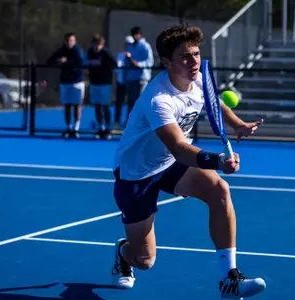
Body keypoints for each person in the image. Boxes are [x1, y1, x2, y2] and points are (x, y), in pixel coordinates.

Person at [111, 24, 266, 299]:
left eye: (196, 54)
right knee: (145, 260)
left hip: (169, 163)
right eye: (185, 56)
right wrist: (218, 160)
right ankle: (124, 252)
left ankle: (229, 278)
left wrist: (238, 125)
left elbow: (215, 103)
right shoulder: (159, 99)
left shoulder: (196, 83)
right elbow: (180, 148)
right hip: (137, 175)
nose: (194, 61)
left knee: (219, 190)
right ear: (166, 62)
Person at [46, 32, 85, 139]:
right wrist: (58, 60)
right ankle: (68, 127)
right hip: (65, 82)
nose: (70, 43)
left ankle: (76, 129)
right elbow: (50, 60)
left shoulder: (78, 51)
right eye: (68, 41)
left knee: (77, 105)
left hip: (77, 82)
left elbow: (79, 62)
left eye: (72, 40)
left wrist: (66, 62)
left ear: (75, 41)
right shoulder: (62, 50)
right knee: (67, 106)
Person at [85, 34, 117, 140]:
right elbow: (85, 62)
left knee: (105, 105)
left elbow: (114, 64)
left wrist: (102, 63)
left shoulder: (106, 53)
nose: (97, 47)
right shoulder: (90, 52)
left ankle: (108, 128)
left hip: (105, 83)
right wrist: (90, 63)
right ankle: (100, 127)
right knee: (97, 106)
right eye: (95, 44)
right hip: (94, 83)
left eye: (99, 45)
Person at [124, 26, 154, 125]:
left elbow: (150, 61)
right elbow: (126, 61)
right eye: (133, 34)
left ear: (140, 35)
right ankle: (130, 122)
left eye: (136, 34)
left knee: (140, 101)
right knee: (130, 101)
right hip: (131, 77)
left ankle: (141, 123)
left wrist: (139, 64)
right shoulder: (131, 47)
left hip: (142, 78)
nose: (134, 36)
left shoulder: (145, 46)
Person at [114, 36, 134, 130]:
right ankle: (117, 122)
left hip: (131, 83)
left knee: (131, 103)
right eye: (127, 44)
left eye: (130, 44)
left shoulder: (135, 56)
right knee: (119, 103)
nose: (128, 46)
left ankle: (128, 123)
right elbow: (118, 68)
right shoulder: (120, 55)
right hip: (121, 83)